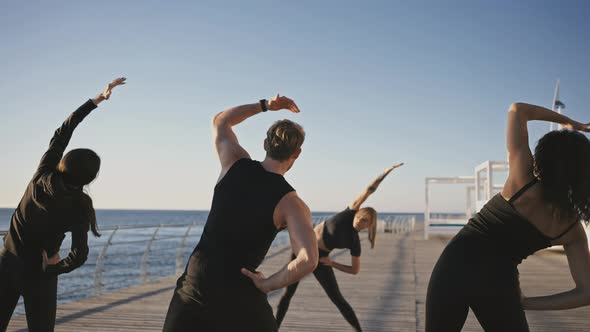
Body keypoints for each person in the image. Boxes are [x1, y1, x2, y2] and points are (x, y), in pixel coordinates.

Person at [426, 102, 590, 331]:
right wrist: (526, 303)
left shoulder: (521, 180)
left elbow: (517, 109)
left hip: (455, 265)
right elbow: (586, 292)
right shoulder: (571, 229)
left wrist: (570, 123)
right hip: (498, 283)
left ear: (543, 159)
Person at [162, 95, 318, 332]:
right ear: (297, 153)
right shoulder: (291, 203)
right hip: (240, 293)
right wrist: (267, 284)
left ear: (265, 144)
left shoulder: (234, 162)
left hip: (196, 283)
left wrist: (266, 105)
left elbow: (220, 121)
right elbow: (308, 259)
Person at [0, 77, 126, 332]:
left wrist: (97, 100)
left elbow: (63, 131)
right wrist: (54, 268)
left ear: (63, 162)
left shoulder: (42, 175)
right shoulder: (80, 208)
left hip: (8, 264)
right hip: (41, 273)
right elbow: (79, 256)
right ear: (89, 179)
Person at [275, 163, 404, 331]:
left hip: (320, 259)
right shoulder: (348, 214)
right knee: (288, 294)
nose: (361, 223)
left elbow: (354, 270)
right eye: (361, 218)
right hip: (303, 249)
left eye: (366, 223)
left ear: (370, 226)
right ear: (358, 214)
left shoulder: (354, 241)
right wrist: (385, 173)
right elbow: (369, 190)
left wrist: (333, 263)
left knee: (338, 299)